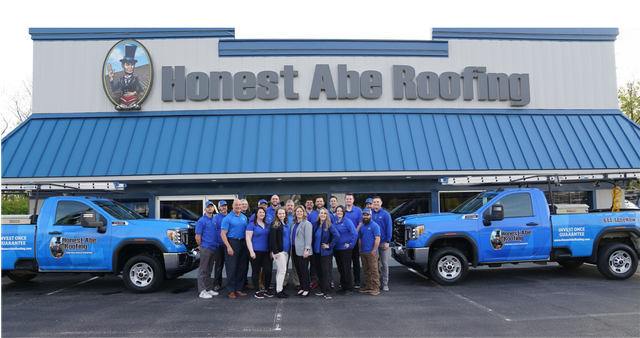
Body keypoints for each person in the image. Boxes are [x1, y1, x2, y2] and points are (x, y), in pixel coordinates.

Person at [220, 199, 250, 298]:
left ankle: (238, 289)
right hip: (232, 242)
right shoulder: (227, 218)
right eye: (236, 205)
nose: (238, 206)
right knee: (231, 268)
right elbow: (223, 234)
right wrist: (228, 247)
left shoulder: (244, 217)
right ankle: (231, 291)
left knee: (241, 267)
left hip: (243, 243)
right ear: (232, 205)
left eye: (240, 205)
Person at [312, 208, 340, 300]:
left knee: (325, 272)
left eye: (324, 213)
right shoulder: (316, 225)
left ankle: (327, 292)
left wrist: (329, 245)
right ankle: (322, 289)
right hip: (316, 252)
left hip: (325, 253)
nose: (323, 215)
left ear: (327, 215)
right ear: (319, 214)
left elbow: (337, 236)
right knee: (319, 272)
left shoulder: (329, 225)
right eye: (321, 213)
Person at [107, 43, 145, 110]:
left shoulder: (136, 79)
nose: (130, 67)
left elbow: (141, 89)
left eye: (132, 64)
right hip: (122, 103)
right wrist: (111, 78)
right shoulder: (120, 79)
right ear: (123, 66)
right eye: (127, 64)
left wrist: (133, 93)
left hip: (132, 102)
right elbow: (113, 89)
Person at [246, 208, 273, 299]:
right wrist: (251, 251)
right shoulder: (251, 225)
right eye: (260, 212)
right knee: (256, 271)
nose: (262, 214)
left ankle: (266, 289)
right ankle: (257, 291)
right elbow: (248, 239)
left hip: (266, 252)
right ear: (256, 214)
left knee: (268, 271)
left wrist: (270, 251)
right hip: (255, 251)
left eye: (263, 213)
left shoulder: (267, 225)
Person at [195, 201, 220, 299]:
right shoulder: (201, 221)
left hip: (214, 247)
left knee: (209, 269)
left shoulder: (214, 219)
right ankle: (202, 291)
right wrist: (200, 245)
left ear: (213, 208)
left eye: (211, 207)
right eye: (208, 207)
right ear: (205, 209)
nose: (210, 209)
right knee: (203, 270)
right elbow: (198, 236)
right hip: (206, 247)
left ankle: (208, 289)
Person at [333, 205, 358, 295]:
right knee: (341, 269)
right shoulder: (335, 222)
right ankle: (343, 287)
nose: (339, 212)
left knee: (346, 268)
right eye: (337, 211)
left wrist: (351, 244)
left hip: (345, 249)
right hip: (337, 249)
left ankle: (349, 288)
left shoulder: (347, 221)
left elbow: (355, 233)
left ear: (343, 212)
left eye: (340, 211)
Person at [290, 205, 313, 297]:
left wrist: (306, 249)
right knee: (298, 270)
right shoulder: (293, 224)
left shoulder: (307, 224)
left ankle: (307, 289)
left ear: (304, 213)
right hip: (295, 250)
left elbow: (308, 238)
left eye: (300, 211)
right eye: (297, 211)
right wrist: (292, 252)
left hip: (303, 251)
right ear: (295, 213)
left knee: (304, 270)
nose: (299, 213)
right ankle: (302, 287)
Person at [269, 207, 291, 298]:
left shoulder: (285, 223)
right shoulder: (275, 224)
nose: (282, 215)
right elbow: (272, 239)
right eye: (280, 213)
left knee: (280, 271)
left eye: (283, 213)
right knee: (282, 271)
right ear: (277, 215)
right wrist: (275, 251)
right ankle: (279, 291)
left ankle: (279, 288)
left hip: (286, 251)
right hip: (279, 252)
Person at [372, 196, 393, 291]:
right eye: (374, 202)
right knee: (374, 264)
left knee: (384, 264)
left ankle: (385, 284)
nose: (376, 203)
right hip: (373, 244)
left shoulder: (386, 214)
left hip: (383, 242)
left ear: (381, 203)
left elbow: (389, 228)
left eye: (377, 202)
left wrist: (388, 241)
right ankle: (376, 283)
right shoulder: (370, 214)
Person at [358, 208, 381, 296]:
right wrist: (360, 250)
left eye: (367, 215)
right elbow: (360, 239)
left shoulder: (375, 226)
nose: (365, 216)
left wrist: (374, 250)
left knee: (374, 270)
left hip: (371, 252)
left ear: (370, 216)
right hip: (363, 252)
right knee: (366, 270)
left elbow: (377, 239)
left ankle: (376, 287)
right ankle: (369, 286)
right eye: (364, 215)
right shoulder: (362, 227)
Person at [344, 193, 363, 289]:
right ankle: (346, 281)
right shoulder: (342, 210)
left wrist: (354, 233)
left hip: (355, 240)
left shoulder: (358, 210)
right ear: (345, 200)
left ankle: (357, 281)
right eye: (347, 199)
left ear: (353, 200)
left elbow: (360, 223)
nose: (348, 200)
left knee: (356, 261)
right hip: (345, 241)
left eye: (350, 199)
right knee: (346, 263)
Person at [212, 200, 228, 292]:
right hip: (220, 246)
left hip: (229, 245)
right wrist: (215, 242)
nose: (224, 207)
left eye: (225, 206)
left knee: (230, 266)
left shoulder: (230, 217)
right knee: (219, 266)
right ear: (218, 208)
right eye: (222, 206)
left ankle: (231, 284)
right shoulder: (216, 218)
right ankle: (217, 284)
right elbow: (213, 232)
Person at [285, 199, 300, 290]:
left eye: (291, 205)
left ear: (294, 207)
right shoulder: (283, 216)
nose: (290, 207)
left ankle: (297, 282)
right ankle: (283, 282)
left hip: (295, 245)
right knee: (284, 266)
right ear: (286, 207)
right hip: (285, 245)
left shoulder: (296, 217)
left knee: (296, 265)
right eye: (288, 205)